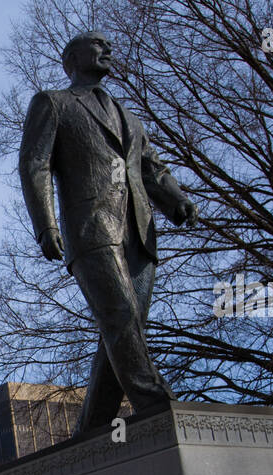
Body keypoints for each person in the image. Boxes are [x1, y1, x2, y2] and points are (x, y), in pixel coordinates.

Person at [20, 30, 198, 432]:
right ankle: (156, 401)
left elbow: (152, 168)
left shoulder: (129, 117)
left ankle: (93, 426)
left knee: (124, 324)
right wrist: (45, 224)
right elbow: (35, 165)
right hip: (91, 228)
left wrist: (176, 200)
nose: (108, 49)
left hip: (139, 230)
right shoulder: (54, 103)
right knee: (120, 314)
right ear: (71, 57)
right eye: (97, 44)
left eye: (108, 45)